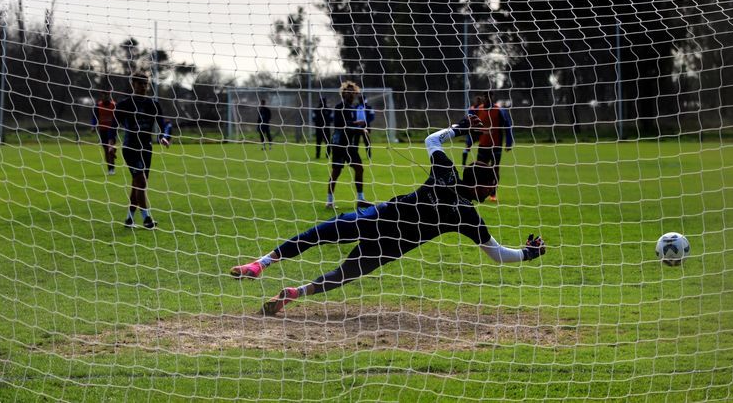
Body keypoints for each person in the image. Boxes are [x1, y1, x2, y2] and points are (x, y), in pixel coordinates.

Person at [230, 114, 546, 316]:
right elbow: (498, 255)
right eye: (492, 184)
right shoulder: (467, 216)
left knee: (319, 234)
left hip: (379, 217)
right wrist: (528, 253)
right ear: (481, 186)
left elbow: (431, 140)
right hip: (391, 246)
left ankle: (261, 264)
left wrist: (460, 127)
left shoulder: (447, 171)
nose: (493, 188)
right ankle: (294, 294)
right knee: (344, 274)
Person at [116, 72, 172, 229]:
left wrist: (163, 136)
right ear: (133, 84)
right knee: (140, 181)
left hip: (146, 148)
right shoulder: (124, 104)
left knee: (138, 184)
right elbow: (113, 125)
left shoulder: (153, 104)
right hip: (130, 148)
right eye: (140, 83)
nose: (143, 86)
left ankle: (129, 219)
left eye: (145, 83)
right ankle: (147, 219)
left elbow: (162, 124)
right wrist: (110, 143)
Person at [326, 81, 370, 209]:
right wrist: (358, 125)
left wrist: (361, 128)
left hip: (349, 144)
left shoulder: (353, 108)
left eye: (353, 91)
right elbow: (341, 124)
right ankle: (329, 201)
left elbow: (350, 125)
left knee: (359, 168)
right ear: (343, 93)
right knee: (336, 171)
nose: (351, 93)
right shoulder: (339, 107)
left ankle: (360, 199)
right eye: (348, 91)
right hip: (339, 144)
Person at [474, 91, 514, 202]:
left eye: (489, 96)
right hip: (482, 145)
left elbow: (508, 126)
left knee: (494, 170)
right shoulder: (478, 110)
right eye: (485, 96)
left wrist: (509, 142)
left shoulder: (499, 110)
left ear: (492, 97)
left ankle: (493, 193)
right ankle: (478, 192)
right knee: (479, 170)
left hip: (496, 146)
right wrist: (470, 141)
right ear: (483, 97)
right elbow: (473, 126)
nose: (487, 98)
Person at [92, 89, 119, 174]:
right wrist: (93, 126)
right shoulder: (98, 106)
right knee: (106, 149)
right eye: (104, 95)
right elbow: (94, 117)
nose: (106, 96)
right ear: (101, 96)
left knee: (110, 148)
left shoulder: (114, 105)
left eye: (107, 95)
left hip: (112, 130)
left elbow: (118, 116)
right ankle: (110, 168)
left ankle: (112, 168)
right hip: (102, 130)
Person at [461, 95, 484, 167]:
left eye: (479, 101)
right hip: (472, 131)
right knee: (467, 147)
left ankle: (482, 163)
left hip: (481, 131)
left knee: (483, 147)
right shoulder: (472, 109)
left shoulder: (483, 109)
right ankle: (463, 163)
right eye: (477, 101)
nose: (478, 102)